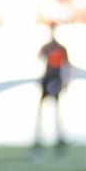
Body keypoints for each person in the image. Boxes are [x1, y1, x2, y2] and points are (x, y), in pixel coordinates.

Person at [32, 22, 70, 155]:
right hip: (47, 80)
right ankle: (38, 142)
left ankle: (58, 142)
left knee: (56, 112)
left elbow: (66, 66)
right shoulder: (46, 48)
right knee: (41, 112)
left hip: (55, 80)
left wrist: (65, 82)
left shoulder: (61, 48)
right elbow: (38, 63)